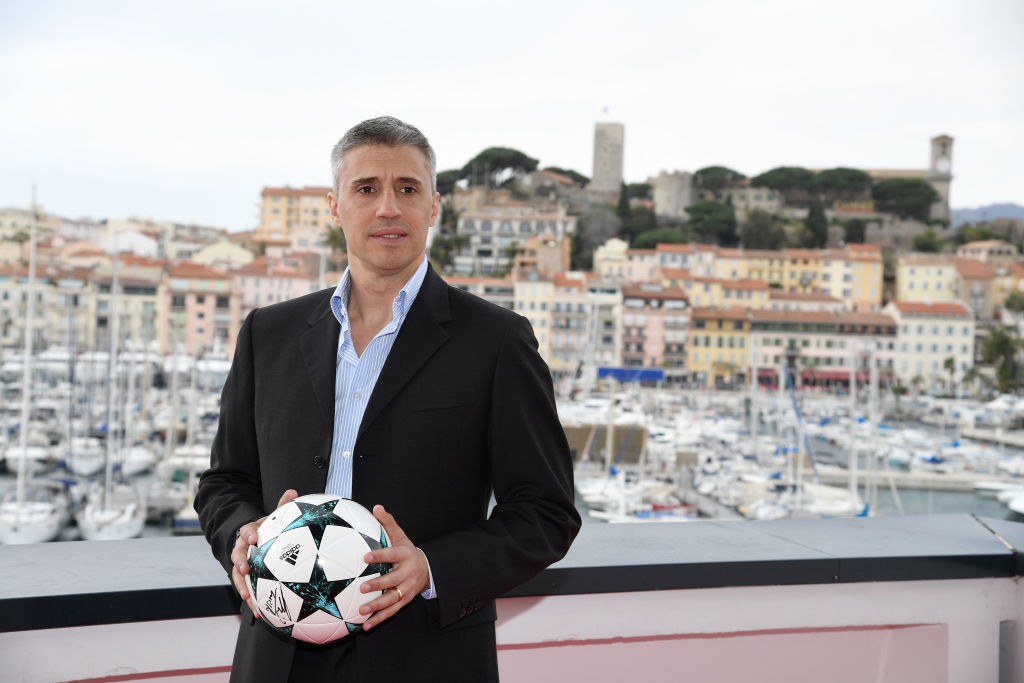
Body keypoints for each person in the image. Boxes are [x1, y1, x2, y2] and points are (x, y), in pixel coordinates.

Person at [194, 115, 581, 682]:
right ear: (334, 206)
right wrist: (243, 539)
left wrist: (430, 567)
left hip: (426, 659)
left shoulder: (496, 341)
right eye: (366, 189)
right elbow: (224, 484)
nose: (388, 208)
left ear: (434, 206)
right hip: (277, 664)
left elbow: (545, 513)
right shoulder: (266, 334)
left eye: (407, 189)